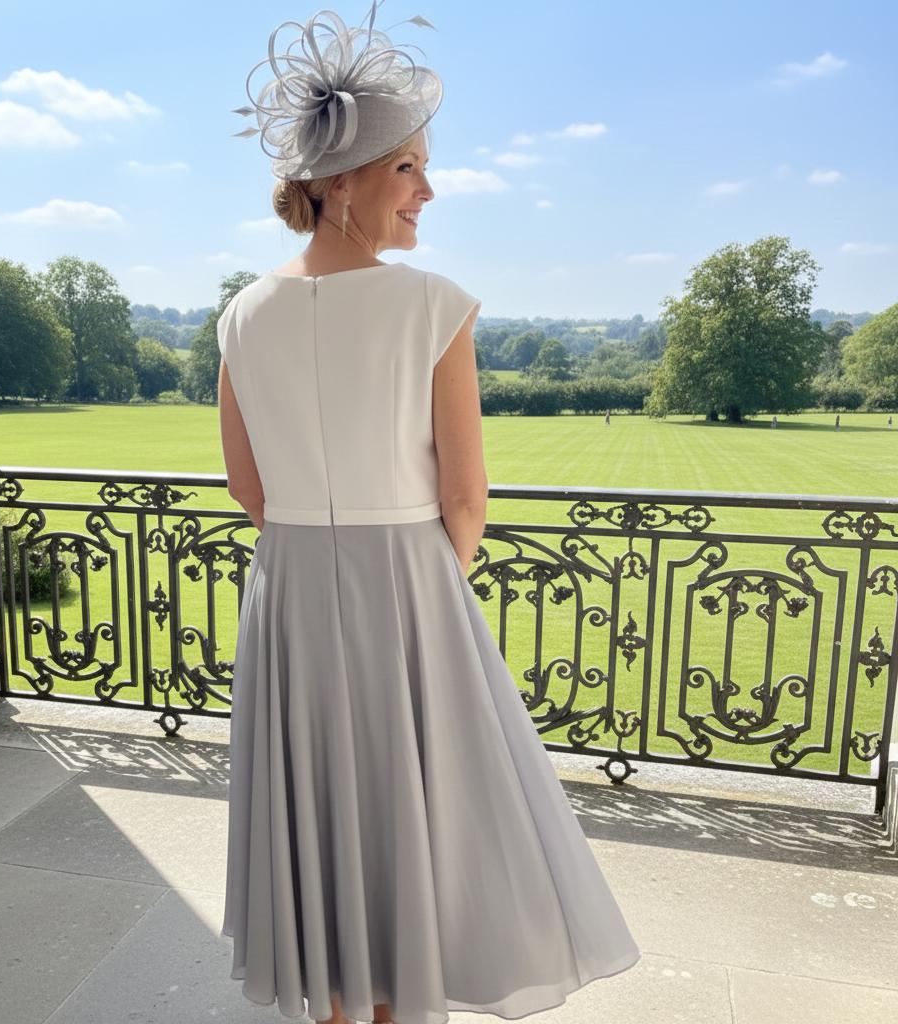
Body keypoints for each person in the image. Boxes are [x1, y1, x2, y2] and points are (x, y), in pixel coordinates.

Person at [218, 4, 641, 1022]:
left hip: (288, 589)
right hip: (409, 583)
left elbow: (247, 487)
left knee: (316, 809)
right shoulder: (432, 305)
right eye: (407, 167)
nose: (427, 189)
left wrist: (317, 544)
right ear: (341, 181)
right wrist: (425, 584)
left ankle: (334, 999)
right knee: (426, 815)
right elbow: (464, 492)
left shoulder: (238, 313)